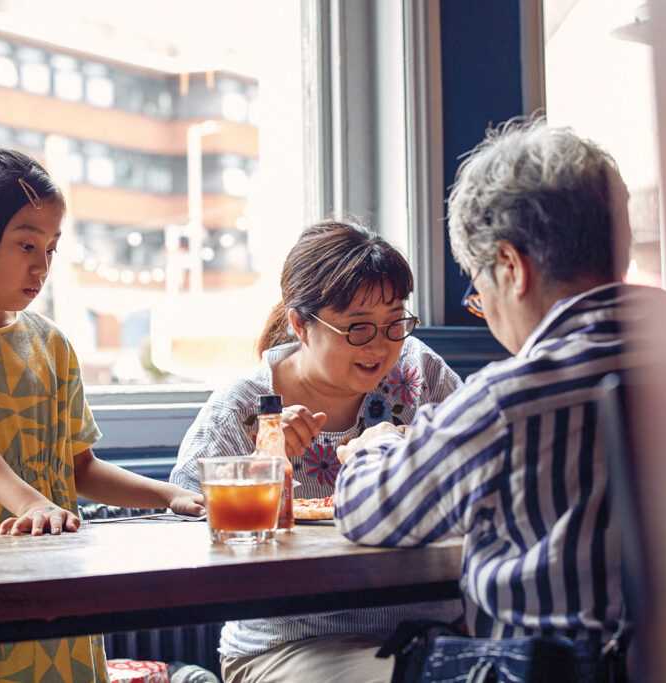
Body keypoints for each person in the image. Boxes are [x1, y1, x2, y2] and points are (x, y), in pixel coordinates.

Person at [335, 120, 661, 679]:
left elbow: (368, 509)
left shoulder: (510, 400)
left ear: (511, 268)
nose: (483, 308)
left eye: (477, 288)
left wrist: (375, 444)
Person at [0, 146, 205, 683]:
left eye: (52, 248)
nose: (42, 266)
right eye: (26, 244)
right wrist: (34, 503)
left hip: (57, 582)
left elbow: (80, 468)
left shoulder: (51, 344)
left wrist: (168, 495)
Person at [170, 220, 463, 683]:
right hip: (292, 640)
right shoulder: (246, 405)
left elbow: (481, 477)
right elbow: (180, 525)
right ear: (300, 324)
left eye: (394, 324)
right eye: (358, 329)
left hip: (434, 629)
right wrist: (257, 473)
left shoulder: (420, 372)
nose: (381, 346)